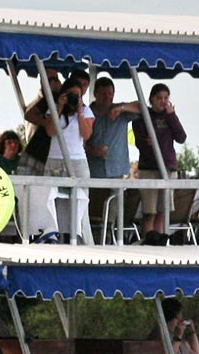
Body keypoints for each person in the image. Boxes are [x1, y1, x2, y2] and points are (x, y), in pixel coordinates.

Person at [24, 78, 94, 243]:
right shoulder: (54, 109)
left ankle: (79, 237)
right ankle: (55, 236)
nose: (73, 98)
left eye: (77, 95)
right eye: (70, 95)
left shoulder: (86, 111)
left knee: (80, 201)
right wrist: (60, 107)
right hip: (55, 159)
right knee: (52, 200)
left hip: (77, 161)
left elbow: (86, 135)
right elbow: (50, 131)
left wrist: (80, 112)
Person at [133, 82, 186, 241]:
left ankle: (159, 238)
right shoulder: (142, 117)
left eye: (165, 98)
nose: (163, 101)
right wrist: (146, 142)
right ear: (151, 99)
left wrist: (172, 116)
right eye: (159, 98)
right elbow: (139, 142)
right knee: (149, 210)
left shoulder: (169, 117)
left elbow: (181, 137)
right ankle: (149, 238)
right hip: (149, 167)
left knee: (163, 210)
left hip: (167, 167)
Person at [86, 76, 138, 180]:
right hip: (93, 170)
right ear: (95, 94)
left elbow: (142, 107)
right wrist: (93, 150)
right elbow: (78, 142)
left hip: (117, 170)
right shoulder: (86, 113)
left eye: (109, 94)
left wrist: (122, 108)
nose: (107, 97)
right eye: (103, 94)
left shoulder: (121, 112)